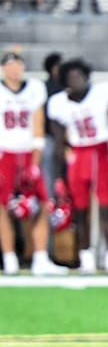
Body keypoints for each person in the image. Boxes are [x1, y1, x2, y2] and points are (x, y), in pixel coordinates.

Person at [46, 58, 108, 275]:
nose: (76, 80)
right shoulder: (58, 103)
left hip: (101, 152)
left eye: (79, 76)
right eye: (71, 77)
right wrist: (60, 174)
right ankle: (86, 256)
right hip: (79, 153)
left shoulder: (102, 93)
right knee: (80, 210)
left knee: (107, 207)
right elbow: (60, 142)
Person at [0, 51, 68, 276]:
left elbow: (38, 125)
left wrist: (35, 161)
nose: (13, 69)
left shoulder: (34, 89)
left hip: (28, 152)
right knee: (2, 206)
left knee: (43, 203)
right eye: (9, 65)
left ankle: (40, 257)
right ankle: (9, 258)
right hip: (5, 154)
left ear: (22, 67)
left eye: (17, 64)